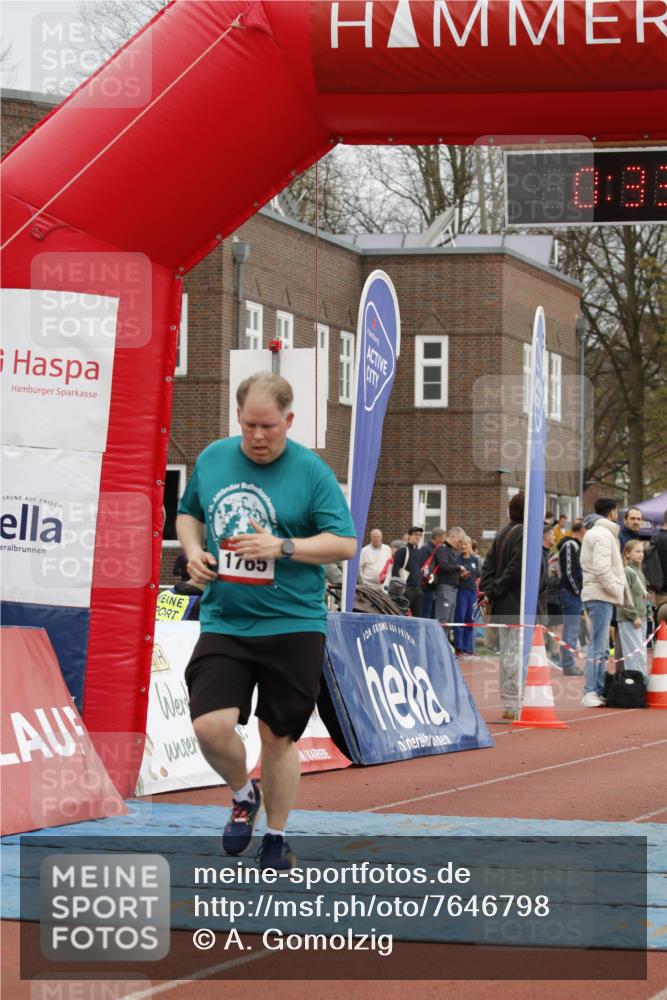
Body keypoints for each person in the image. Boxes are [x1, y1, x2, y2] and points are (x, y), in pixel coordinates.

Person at [176, 372, 356, 870]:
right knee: (210, 727)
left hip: (294, 623)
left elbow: (344, 543)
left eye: (269, 427)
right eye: (250, 425)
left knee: (278, 735)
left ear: (289, 421)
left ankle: (276, 836)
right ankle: (242, 795)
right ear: (238, 418)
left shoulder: (311, 472)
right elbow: (188, 513)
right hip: (226, 621)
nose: (258, 436)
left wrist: (284, 546)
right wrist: (193, 551)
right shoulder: (213, 458)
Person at [480, 492, 546, 721]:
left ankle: (510, 701)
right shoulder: (525, 533)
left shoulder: (503, 532)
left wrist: (489, 590)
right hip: (518, 603)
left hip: (504, 603)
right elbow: (518, 567)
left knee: (509, 654)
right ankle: (516, 701)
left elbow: (487, 565)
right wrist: (496, 588)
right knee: (517, 654)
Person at [580, 497, 630, 707]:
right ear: (612, 512)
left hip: (600, 594)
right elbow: (601, 568)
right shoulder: (602, 535)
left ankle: (597, 689)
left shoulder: (599, 533)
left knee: (600, 646)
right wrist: (615, 588)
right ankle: (591, 690)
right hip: (600, 594)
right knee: (597, 646)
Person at [617, 540, 649, 677]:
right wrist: (634, 615)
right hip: (630, 619)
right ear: (627, 554)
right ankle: (636, 685)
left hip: (641, 618)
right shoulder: (627, 571)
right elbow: (624, 597)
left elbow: (642, 596)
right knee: (634, 655)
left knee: (641, 654)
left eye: (642, 551)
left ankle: (640, 684)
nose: (641, 554)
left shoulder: (639, 571)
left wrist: (648, 612)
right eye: (637, 551)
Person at [558, 520, 585, 676]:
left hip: (573, 593)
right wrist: (577, 591)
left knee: (572, 628)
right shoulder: (570, 545)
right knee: (571, 629)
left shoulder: (576, 546)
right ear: (581, 530)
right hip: (570, 592)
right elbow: (569, 571)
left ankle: (567, 661)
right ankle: (568, 663)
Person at [434, 526, 466, 627]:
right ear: (453, 536)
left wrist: (460, 575)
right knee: (443, 619)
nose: (461, 544)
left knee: (449, 621)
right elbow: (444, 566)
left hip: (453, 589)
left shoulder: (451, 551)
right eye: (460, 541)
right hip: (445, 588)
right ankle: (438, 642)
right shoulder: (442, 549)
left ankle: (445, 642)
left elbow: (450, 568)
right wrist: (458, 568)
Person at [453, 535, 480, 658]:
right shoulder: (457, 559)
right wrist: (461, 576)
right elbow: (455, 574)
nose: (463, 546)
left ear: (470, 545)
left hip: (472, 593)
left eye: (466, 544)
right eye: (461, 544)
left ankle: (468, 648)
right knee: (460, 618)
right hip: (461, 591)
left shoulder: (475, 560)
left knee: (470, 620)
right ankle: (459, 648)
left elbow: (478, 575)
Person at [391, 526, 424, 616]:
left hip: (417, 589)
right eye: (415, 534)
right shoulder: (403, 550)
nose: (418, 537)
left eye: (420, 535)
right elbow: (395, 571)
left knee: (418, 618)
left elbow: (419, 570)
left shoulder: (419, 552)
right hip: (406, 589)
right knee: (401, 615)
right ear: (409, 536)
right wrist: (401, 590)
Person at [418, 527, 444, 619]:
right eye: (443, 538)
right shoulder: (425, 549)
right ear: (437, 537)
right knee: (427, 613)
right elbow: (424, 569)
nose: (444, 540)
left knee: (433, 613)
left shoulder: (438, 549)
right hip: (427, 587)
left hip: (435, 586)